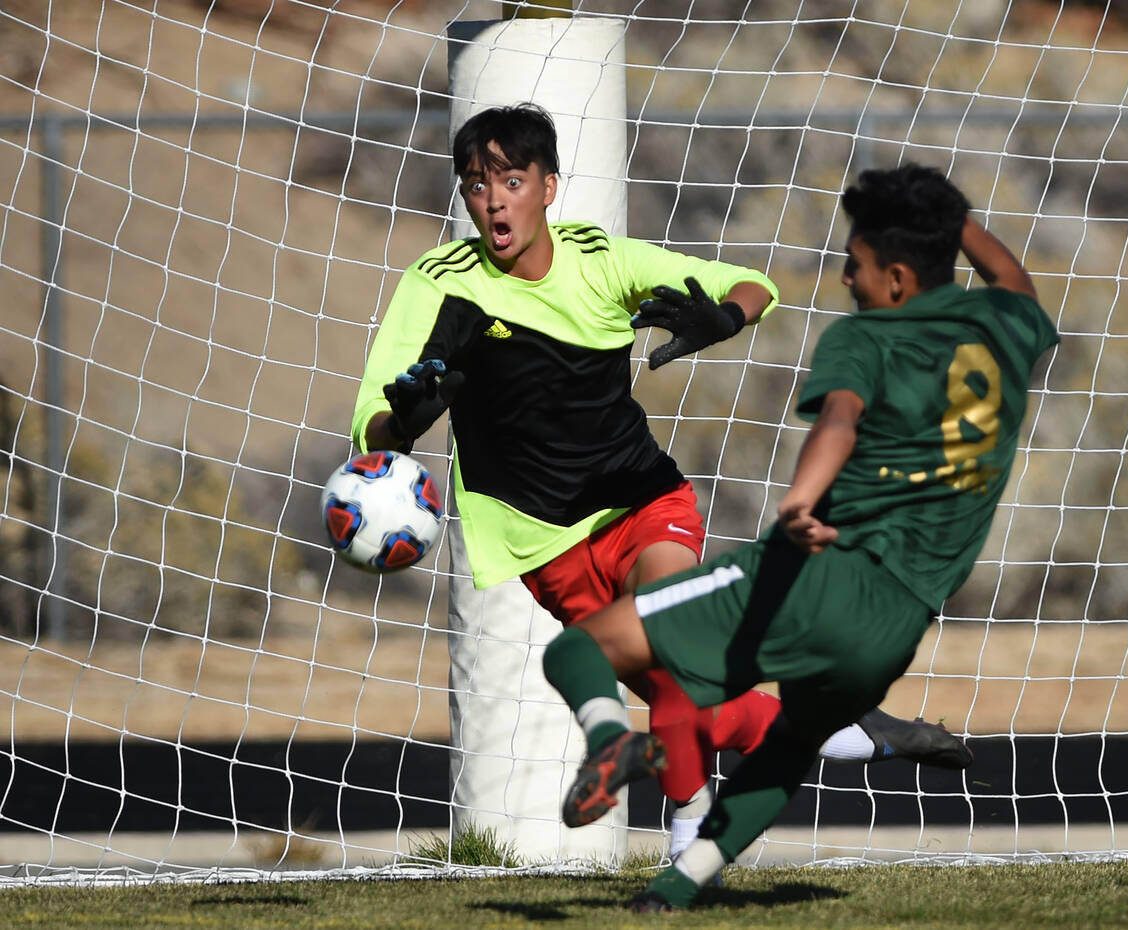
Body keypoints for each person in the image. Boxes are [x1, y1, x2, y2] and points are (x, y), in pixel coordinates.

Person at [351, 104, 970, 858]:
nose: (494, 200)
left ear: (547, 186)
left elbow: (752, 284)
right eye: (477, 184)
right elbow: (372, 435)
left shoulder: (602, 260)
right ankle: (860, 734)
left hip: (644, 501)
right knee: (695, 705)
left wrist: (725, 319)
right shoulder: (439, 283)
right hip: (540, 541)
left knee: (674, 640)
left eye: (512, 180)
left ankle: (682, 838)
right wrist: (408, 417)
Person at [540, 163, 1060, 911]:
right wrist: (945, 218)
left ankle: (606, 744)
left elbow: (840, 419)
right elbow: (1012, 276)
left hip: (820, 571)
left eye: (858, 265)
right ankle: (676, 887)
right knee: (788, 746)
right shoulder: (1009, 330)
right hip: (902, 623)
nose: (847, 278)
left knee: (581, 648)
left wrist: (800, 501)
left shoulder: (869, 338)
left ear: (900, 279)